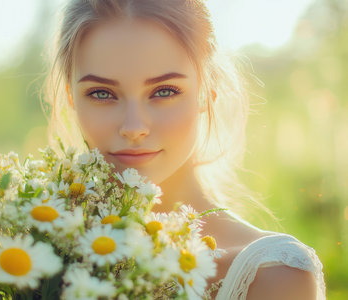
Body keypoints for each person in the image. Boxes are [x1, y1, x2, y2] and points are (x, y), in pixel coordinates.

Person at [41, 0, 326, 299]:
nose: (134, 126)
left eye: (164, 91)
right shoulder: (36, 247)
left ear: (207, 91)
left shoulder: (272, 274)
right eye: (102, 93)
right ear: (71, 98)